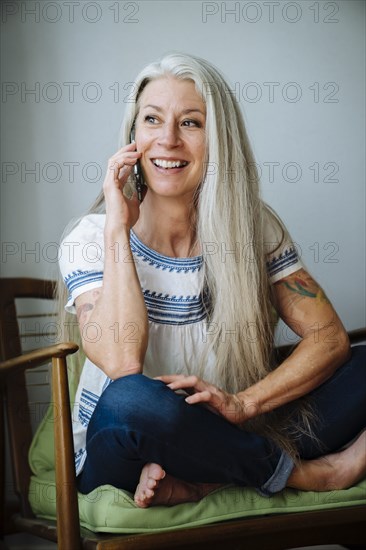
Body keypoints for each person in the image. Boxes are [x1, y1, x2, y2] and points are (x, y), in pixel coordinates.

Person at [58, 52, 366, 508]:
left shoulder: (253, 228)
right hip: (126, 445)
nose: (167, 140)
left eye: (191, 123)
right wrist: (117, 228)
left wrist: (244, 405)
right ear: (132, 138)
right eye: (152, 120)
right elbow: (123, 362)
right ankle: (305, 474)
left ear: (218, 140)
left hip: (226, 432)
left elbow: (329, 338)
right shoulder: (91, 237)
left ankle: (209, 479)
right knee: (134, 401)